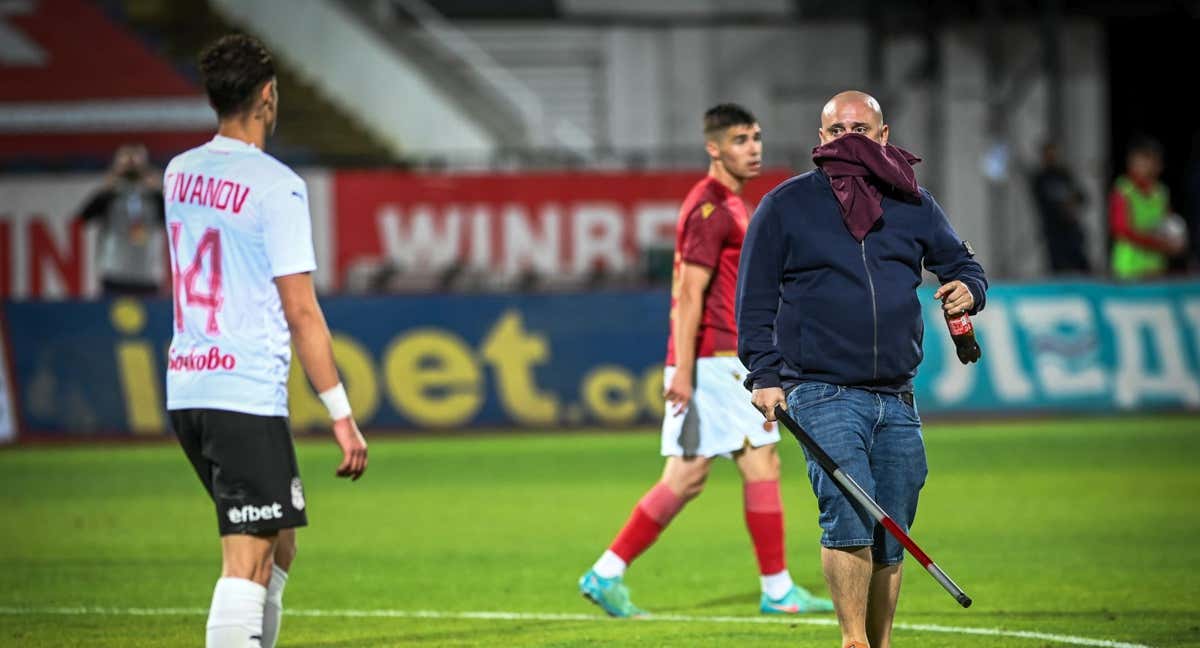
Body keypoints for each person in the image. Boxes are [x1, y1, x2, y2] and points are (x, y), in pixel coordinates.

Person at [735, 91, 987, 648]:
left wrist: (968, 289)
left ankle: (879, 642)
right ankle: (852, 642)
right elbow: (753, 300)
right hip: (820, 391)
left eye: (861, 128)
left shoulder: (914, 203)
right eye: (837, 130)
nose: (848, 139)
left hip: (897, 395)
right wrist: (764, 376)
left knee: (890, 532)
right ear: (821, 140)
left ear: (884, 136)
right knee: (850, 515)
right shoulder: (785, 205)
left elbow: (963, 265)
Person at [578, 104, 833, 618]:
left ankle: (606, 572)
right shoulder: (711, 208)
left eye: (757, 137)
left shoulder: (731, 205)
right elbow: (689, 292)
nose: (754, 148)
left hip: (713, 359)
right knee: (760, 461)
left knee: (688, 476)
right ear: (713, 148)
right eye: (740, 139)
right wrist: (686, 372)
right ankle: (777, 589)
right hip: (716, 359)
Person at [165, 34, 368, 648]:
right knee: (247, 558)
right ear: (267, 96)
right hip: (241, 392)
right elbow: (302, 311)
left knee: (280, 545)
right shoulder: (277, 186)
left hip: (188, 386)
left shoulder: (179, 173)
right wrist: (342, 416)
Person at [78, 144, 167, 296]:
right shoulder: (110, 194)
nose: (131, 167)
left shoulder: (152, 195)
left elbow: (170, 221)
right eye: (126, 162)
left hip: (148, 274)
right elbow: (84, 217)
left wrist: (159, 192)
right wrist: (106, 189)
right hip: (115, 272)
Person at [1108, 137, 1187, 280]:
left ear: (1159, 165)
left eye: (1150, 161)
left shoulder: (1161, 192)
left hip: (1156, 267)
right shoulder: (1124, 190)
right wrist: (1161, 245)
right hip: (1128, 268)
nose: (1146, 167)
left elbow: (1169, 223)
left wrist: (1177, 241)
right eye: (1141, 161)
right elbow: (1121, 229)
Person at [1030, 140, 1091, 274]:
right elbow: (1044, 202)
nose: (1052, 157)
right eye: (1048, 153)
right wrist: (1063, 205)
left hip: (1071, 229)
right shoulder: (1040, 178)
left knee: (1081, 264)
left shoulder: (1065, 175)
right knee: (1058, 267)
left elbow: (1082, 197)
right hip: (1054, 230)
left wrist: (1072, 202)